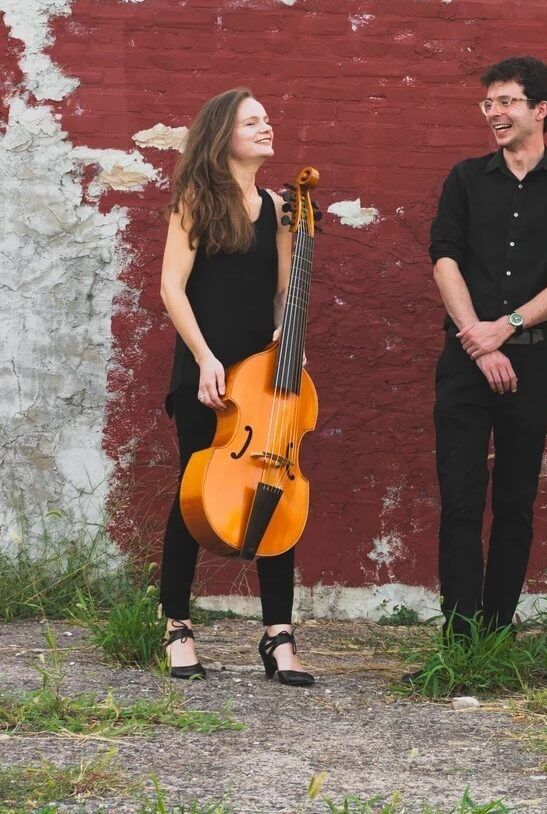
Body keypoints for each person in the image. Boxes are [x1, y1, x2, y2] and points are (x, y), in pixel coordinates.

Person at [428, 56, 547, 639]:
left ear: (540, 109)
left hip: (532, 359)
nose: (494, 114)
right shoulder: (464, 178)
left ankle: (496, 632)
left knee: (516, 502)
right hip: (463, 357)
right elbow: (444, 257)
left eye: (506, 102)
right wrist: (480, 340)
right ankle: (459, 636)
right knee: (459, 500)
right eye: (489, 104)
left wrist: (505, 327)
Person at [158, 88, 313, 685]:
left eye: (269, 118)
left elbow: (280, 290)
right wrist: (203, 358)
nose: (267, 127)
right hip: (206, 370)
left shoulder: (278, 205)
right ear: (224, 135)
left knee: (277, 483)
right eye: (254, 122)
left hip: (262, 377)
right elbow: (172, 287)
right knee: (192, 495)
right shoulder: (197, 200)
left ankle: (278, 636)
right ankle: (177, 627)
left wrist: (287, 328)